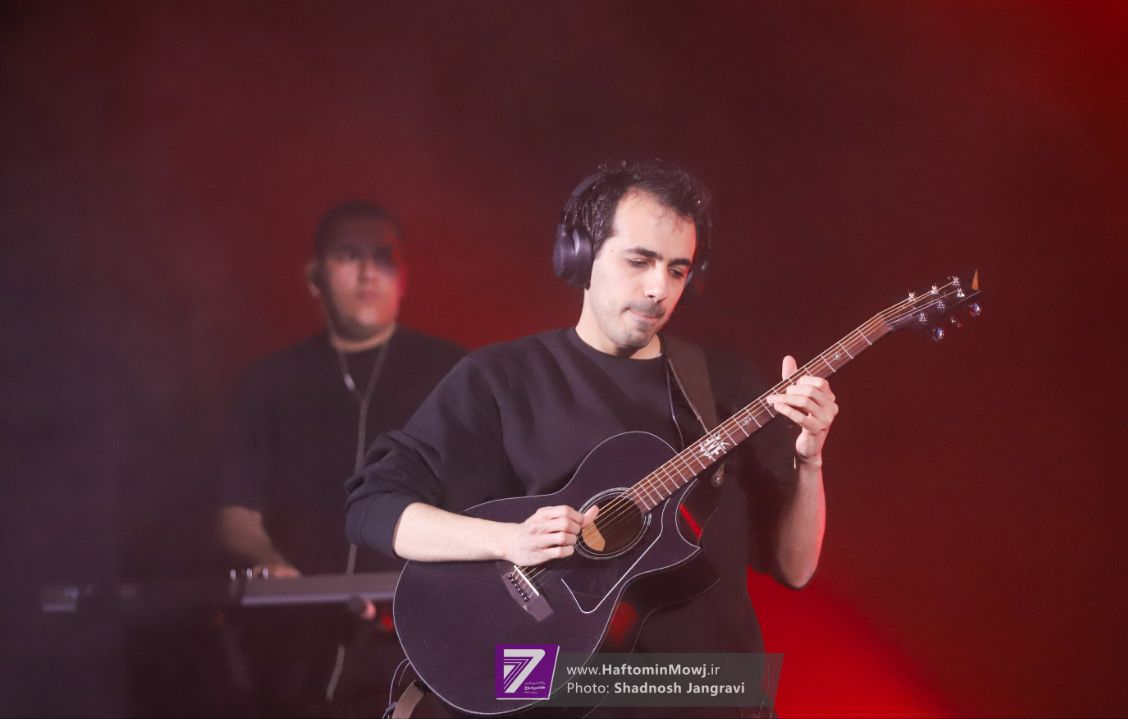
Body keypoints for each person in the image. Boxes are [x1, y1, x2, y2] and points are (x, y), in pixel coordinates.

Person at [345, 161, 837, 717]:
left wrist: (811, 461)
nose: (659, 288)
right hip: (563, 698)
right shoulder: (500, 379)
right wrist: (510, 540)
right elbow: (372, 508)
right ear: (582, 255)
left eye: (677, 270)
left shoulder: (728, 386)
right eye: (639, 261)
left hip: (707, 694)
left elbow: (796, 569)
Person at [215, 200, 466, 716]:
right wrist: (268, 563)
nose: (369, 271)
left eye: (384, 257)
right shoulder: (272, 382)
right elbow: (236, 510)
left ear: (404, 277)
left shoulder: (453, 372)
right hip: (294, 656)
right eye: (349, 255)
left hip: (417, 648)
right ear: (315, 276)